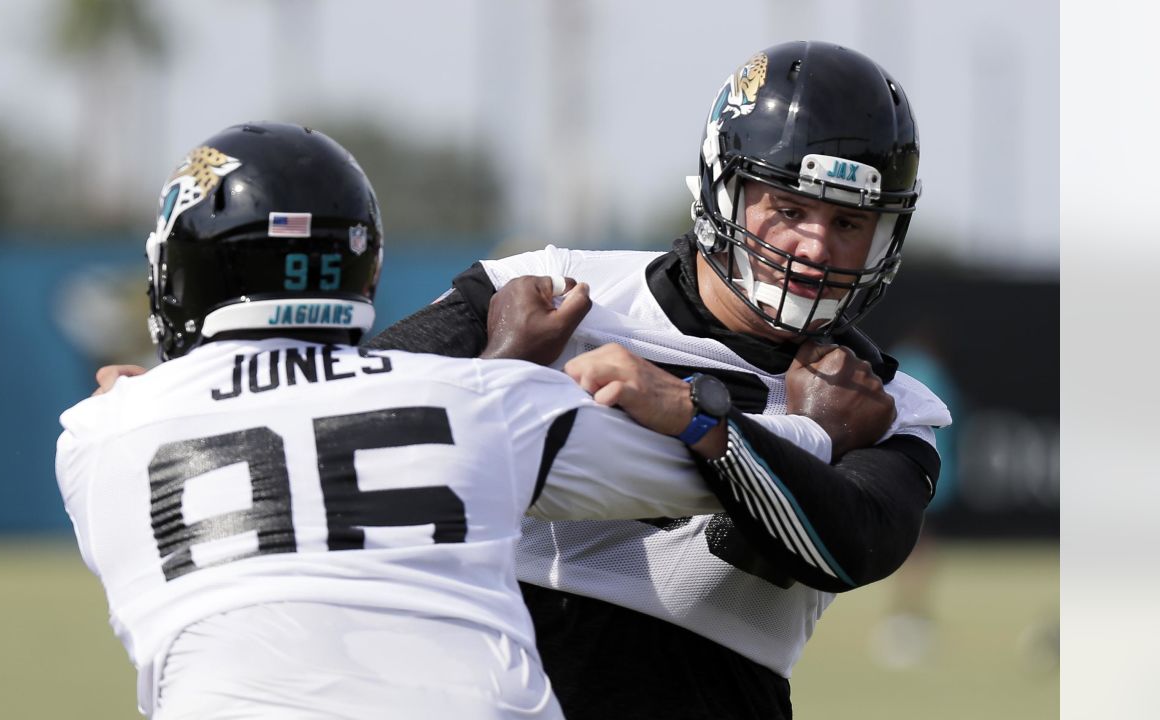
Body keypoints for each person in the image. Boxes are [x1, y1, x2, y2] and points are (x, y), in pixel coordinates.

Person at [58, 122, 829, 719]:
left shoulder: (98, 434)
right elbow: (714, 474)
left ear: (176, 275)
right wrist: (815, 428)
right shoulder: (481, 400)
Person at [362, 41, 953, 719]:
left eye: (848, 222)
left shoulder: (884, 402)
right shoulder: (554, 292)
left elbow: (853, 548)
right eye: (789, 210)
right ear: (722, 187)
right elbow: (348, 427)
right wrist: (500, 368)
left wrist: (690, 413)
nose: (815, 247)